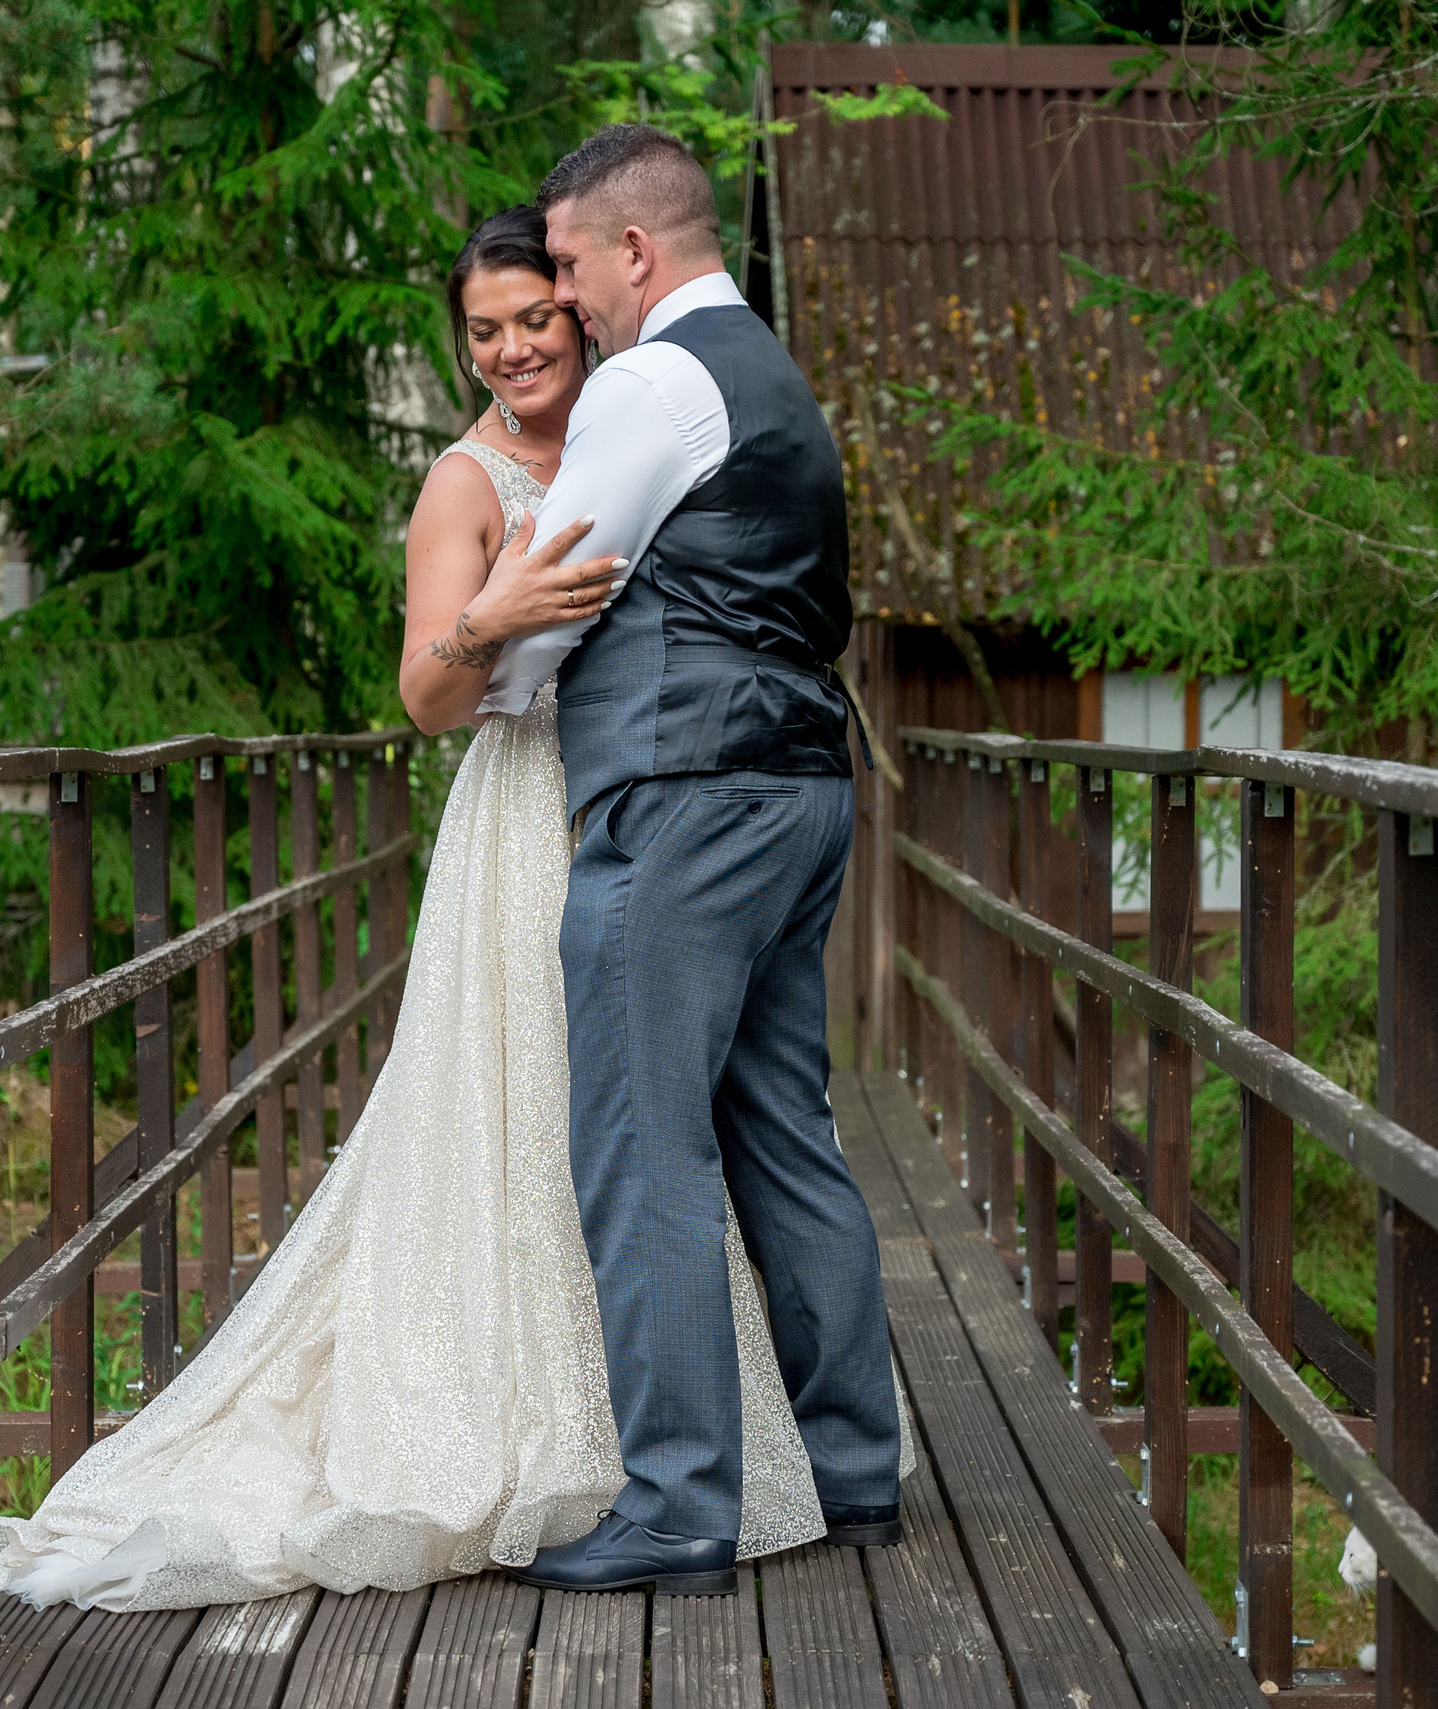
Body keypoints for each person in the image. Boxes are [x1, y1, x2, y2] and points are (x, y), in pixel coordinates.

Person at [0, 205, 877, 1614]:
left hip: (650, 793)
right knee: (540, 1120)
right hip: (528, 815)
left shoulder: (641, 420)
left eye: (537, 314)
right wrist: (497, 608)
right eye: (487, 328)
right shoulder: (465, 483)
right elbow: (424, 697)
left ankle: (646, 1447)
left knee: (641, 1126)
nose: (517, 346)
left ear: (583, 307)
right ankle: (527, 1428)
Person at [493, 124, 902, 1596]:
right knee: (783, 1130)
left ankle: (676, 1505)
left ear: (635, 251)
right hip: (798, 792)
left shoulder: (654, 382)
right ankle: (857, 1470)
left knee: (640, 1141)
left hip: (682, 802)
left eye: (571, 268)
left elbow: (547, 607)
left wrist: (477, 666)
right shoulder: (776, 380)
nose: (566, 301)